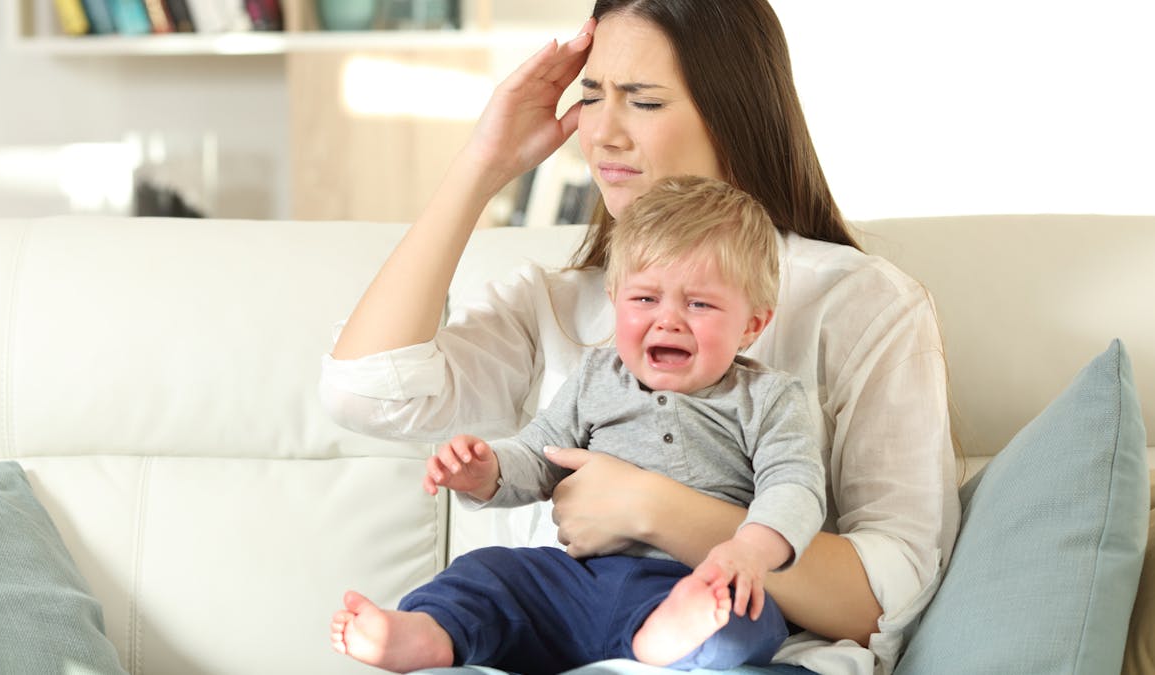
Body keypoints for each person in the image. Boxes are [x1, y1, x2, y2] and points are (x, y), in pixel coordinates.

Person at [319, 1, 960, 673]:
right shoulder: (555, 303)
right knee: (477, 588)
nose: (602, 134)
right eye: (591, 96)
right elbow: (364, 393)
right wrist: (483, 163)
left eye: (643, 102)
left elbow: (888, 596)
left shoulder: (859, 302)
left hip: (741, 653)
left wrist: (651, 506)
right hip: (551, 640)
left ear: (732, 112)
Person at [329, 176, 826, 672]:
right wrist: (487, 471)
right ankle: (427, 633)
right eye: (645, 299)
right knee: (489, 572)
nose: (668, 320)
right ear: (615, 299)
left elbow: (794, 487)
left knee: (749, 619)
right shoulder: (595, 377)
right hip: (576, 582)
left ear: (753, 324)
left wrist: (749, 552)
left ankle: (668, 638)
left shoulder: (767, 397)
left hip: (688, 580)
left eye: (699, 304)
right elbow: (542, 453)